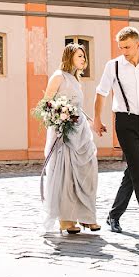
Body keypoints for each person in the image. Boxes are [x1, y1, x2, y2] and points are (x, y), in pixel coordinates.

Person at [92, 27, 139, 238]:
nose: (124, 51)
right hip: (124, 122)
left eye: (127, 47)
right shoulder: (113, 66)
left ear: (138, 44)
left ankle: (114, 215)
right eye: (121, 47)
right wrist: (97, 119)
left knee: (134, 172)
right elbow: (101, 93)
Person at [40, 42, 100, 234]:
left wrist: (93, 122)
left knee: (87, 172)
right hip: (63, 133)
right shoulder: (58, 76)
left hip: (80, 130)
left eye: (84, 56)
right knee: (66, 175)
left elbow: (78, 107)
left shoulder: (75, 79)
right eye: (80, 56)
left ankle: (87, 217)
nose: (84, 59)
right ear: (69, 56)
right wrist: (60, 118)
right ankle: (66, 220)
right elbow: (46, 104)